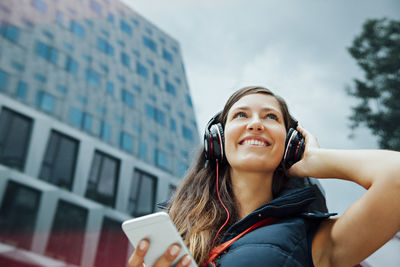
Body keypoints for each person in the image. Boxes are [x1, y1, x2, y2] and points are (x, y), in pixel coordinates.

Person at [128, 86, 400, 267]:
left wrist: (315, 160)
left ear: (291, 143)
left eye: (270, 117)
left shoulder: (315, 238)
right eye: (241, 115)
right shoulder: (177, 231)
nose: (255, 123)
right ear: (218, 141)